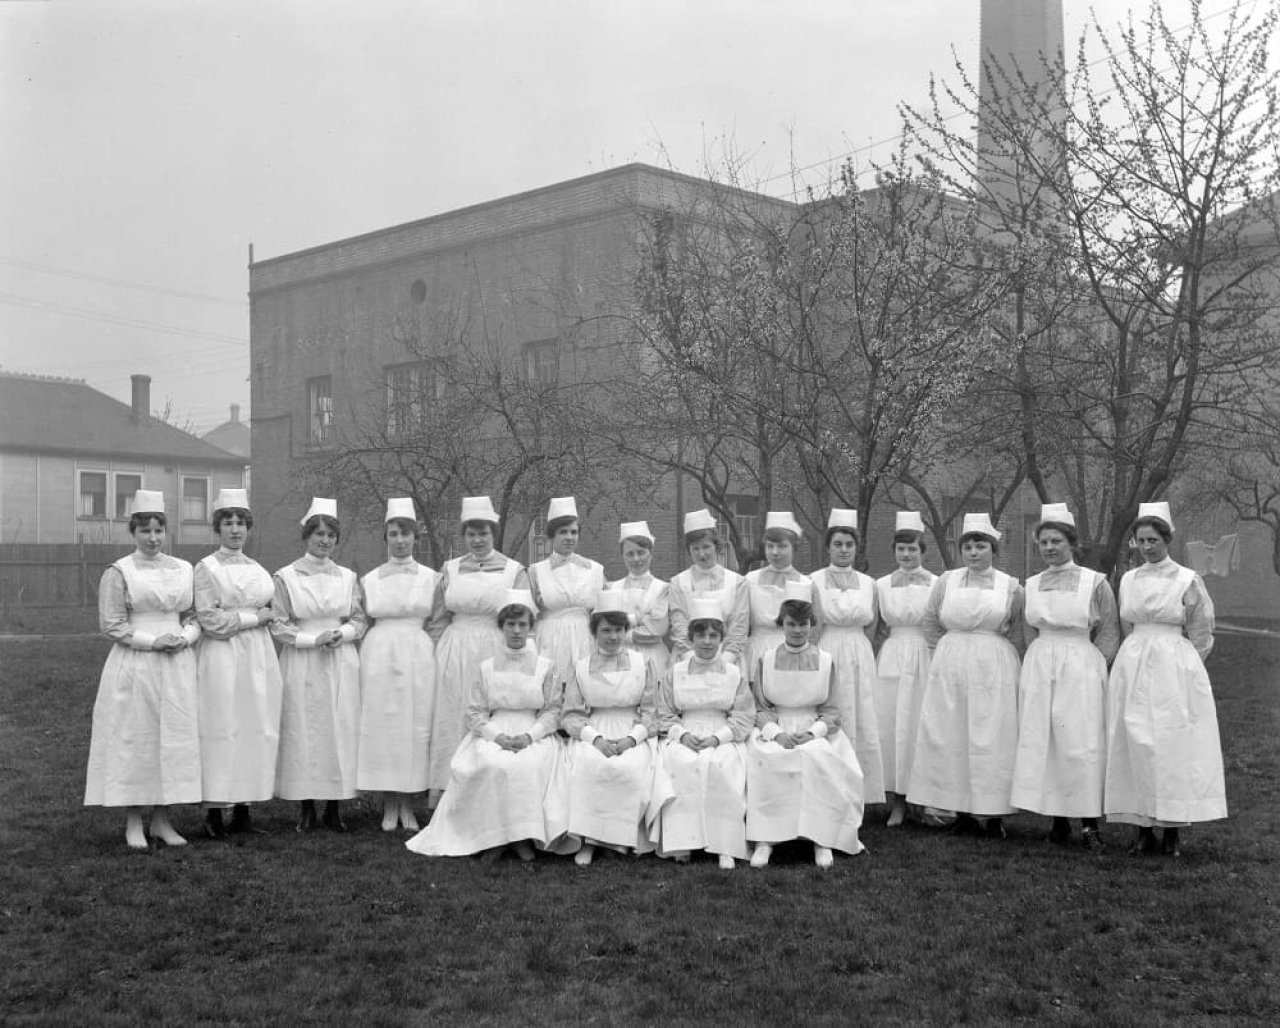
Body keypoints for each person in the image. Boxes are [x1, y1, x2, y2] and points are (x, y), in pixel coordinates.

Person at [405, 590, 569, 860]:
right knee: (492, 763)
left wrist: (530, 736)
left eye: (522, 625)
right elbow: (475, 712)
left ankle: (521, 837)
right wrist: (498, 737)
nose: (516, 631)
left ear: (531, 628)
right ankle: (495, 838)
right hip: (495, 731)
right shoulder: (486, 667)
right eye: (510, 624)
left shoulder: (546, 666)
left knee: (528, 765)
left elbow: (553, 710)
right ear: (501, 627)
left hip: (534, 732)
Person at [1104, 501, 1226, 857]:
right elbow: (1127, 623)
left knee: (1171, 745)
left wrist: (1186, 667)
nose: (1146, 547)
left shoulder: (1187, 579)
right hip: (1134, 663)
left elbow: (1201, 631)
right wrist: (1135, 656)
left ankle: (1172, 830)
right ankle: (1143, 829)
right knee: (1135, 741)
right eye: (1141, 540)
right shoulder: (1129, 579)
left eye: (1153, 540)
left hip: (1173, 666)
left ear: (1166, 539)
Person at [86, 490, 202, 850]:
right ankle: (134, 821)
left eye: (158, 530)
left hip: (177, 662)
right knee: (137, 738)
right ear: (133, 532)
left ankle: (162, 820)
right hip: (136, 663)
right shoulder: (119, 571)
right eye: (145, 531)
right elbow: (111, 624)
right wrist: (154, 642)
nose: (153, 538)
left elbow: (194, 614)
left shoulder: (183, 568)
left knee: (173, 739)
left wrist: (185, 637)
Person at [909, 513, 1024, 839]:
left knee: (991, 735)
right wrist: (941, 656)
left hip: (992, 665)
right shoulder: (946, 582)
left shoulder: (1011, 587)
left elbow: (1018, 629)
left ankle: (993, 813)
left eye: (980, 546)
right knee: (952, 734)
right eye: (968, 547)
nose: (973, 553)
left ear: (993, 549)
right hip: (951, 664)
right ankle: (958, 810)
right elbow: (931, 621)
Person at [1012, 503, 1120, 850]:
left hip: (1080, 664)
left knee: (1080, 742)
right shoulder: (1031, 584)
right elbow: (1026, 628)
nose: (1049, 548)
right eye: (1044, 542)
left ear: (1071, 542)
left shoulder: (1095, 583)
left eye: (1056, 541)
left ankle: (1088, 823)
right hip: (1042, 663)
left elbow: (1109, 630)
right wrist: (1035, 658)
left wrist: (1095, 665)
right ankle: (1058, 820)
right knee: (1047, 739)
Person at [746, 581, 865, 868]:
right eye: (791, 624)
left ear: (811, 624)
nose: (797, 630)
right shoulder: (767, 659)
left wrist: (814, 733)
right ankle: (766, 840)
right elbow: (760, 707)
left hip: (815, 728)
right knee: (768, 759)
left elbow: (832, 710)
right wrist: (776, 734)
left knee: (817, 757)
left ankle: (821, 840)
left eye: (803, 624)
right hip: (777, 728)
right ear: (782, 624)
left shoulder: (825, 660)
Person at [193, 487, 283, 839]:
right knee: (221, 725)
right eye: (228, 523)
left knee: (252, 725)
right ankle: (215, 810)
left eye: (241, 523)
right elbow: (210, 621)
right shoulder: (207, 568)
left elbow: (272, 610)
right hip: (222, 655)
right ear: (218, 527)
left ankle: (244, 808)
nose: (235, 529)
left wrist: (261, 618)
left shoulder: (258, 569)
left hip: (257, 655)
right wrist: (253, 618)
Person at [271, 497, 366, 832]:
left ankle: (334, 806)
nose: (325, 541)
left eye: (330, 535)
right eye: (319, 534)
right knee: (304, 728)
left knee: (338, 728)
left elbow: (359, 619)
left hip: (339, 659)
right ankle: (306, 805)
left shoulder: (348, 577)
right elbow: (279, 623)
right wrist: (313, 640)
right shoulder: (286, 576)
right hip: (303, 658)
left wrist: (341, 633)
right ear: (307, 536)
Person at [427, 496, 528, 803]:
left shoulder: (514, 571)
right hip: (455, 649)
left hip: (494, 647)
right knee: (453, 714)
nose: (478, 540)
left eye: (483, 533)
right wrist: (439, 653)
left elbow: (522, 617)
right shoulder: (451, 569)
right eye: (471, 534)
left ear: (493, 533)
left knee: (490, 714)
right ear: (464, 536)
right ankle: (447, 790)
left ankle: (488, 791)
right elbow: (438, 618)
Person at [561, 591, 670, 866]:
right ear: (594, 633)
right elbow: (571, 714)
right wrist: (595, 739)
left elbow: (651, 710)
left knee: (629, 767)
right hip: (594, 729)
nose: (613, 636)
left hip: (633, 730)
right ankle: (589, 840)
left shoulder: (642, 663)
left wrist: (631, 740)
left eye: (618, 630)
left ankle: (618, 839)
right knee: (588, 765)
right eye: (606, 630)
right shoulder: (581, 667)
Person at [357, 498, 441, 832]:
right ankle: (389, 804)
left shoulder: (432, 578)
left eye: (405, 533)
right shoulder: (369, 579)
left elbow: (438, 622)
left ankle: (408, 804)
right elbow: (361, 620)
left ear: (415, 537)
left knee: (414, 728)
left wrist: (428, 653)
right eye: (393, 534)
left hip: (417, 654)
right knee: (385, 729)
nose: (400, 540)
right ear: (386, 538)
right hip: (379, 654)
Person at [654, 597, 755, 869]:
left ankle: (724, 845)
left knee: (722, 764)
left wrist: (717, 738)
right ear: (691, 638)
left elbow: (744, 714)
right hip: (684, 733)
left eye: (713, 635)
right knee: (679, 762)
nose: (707, 642)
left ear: (721, 638)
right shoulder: (675, 672)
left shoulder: (733, 673)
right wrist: (680, 735)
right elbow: (664, 711)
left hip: (722, 734)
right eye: (701, 635)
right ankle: (683, 842)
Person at [810, 508, 885, 808]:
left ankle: (861, 794)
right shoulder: (813, 581)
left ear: (856, 548)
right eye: (838, 544)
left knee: (862, 717)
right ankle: (829, 792)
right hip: (828, 648)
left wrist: (859, 651)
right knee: (832, 714)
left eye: (849, 544)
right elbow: (813, 624)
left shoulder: (869, 584)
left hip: (859, 653)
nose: (843, 550)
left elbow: (872, 626)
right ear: (828, 547)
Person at [874, 511, 937, 827]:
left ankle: (923, 799)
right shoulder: (881, 585)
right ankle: (897, 803)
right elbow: (875, 626)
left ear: (922, 551)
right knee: (893, 726)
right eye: (901, 549)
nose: (907, 554)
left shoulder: (937, 583)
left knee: (919, 725)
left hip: (924, 654)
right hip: (894, 654)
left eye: (912, 548)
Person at [529, 495, 606, 685]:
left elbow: (604, 610)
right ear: (551, 535)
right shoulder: (536, 571)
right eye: (563, 532)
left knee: (582, 686)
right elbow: (528, 614)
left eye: (574, 532)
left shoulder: (595, 570)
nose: (569, 537)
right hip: (548, 640)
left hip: (584, 638)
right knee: (550, 688)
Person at [667, 508, 749, 665]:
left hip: (728, 659)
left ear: (717, 547)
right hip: (687, 659)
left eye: (706, 547)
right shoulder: (678, 583)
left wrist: (726, 661)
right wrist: (692, 659)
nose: (701, 554)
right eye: (695, 548)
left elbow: (739, 626)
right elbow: (679, 624)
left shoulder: (738, 583)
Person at [743, 511, 809, 672]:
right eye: (770, 546)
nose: (775, 552)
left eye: (782, 546)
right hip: (757, 649)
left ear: (794, 548)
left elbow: (812, 626)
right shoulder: (750, 580)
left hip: (793, 651)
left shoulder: (806, 583)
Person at [609, 520, 671, 680]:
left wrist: (619, 628)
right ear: (622, 556)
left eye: (641, 552)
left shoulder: (663, 589)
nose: (636, 559)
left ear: (651, 553)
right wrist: (640, 618)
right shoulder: (611, 588)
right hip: (619, 659)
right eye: (630, 554)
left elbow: (657, 629)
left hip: (653, 659)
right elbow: (603, 626)